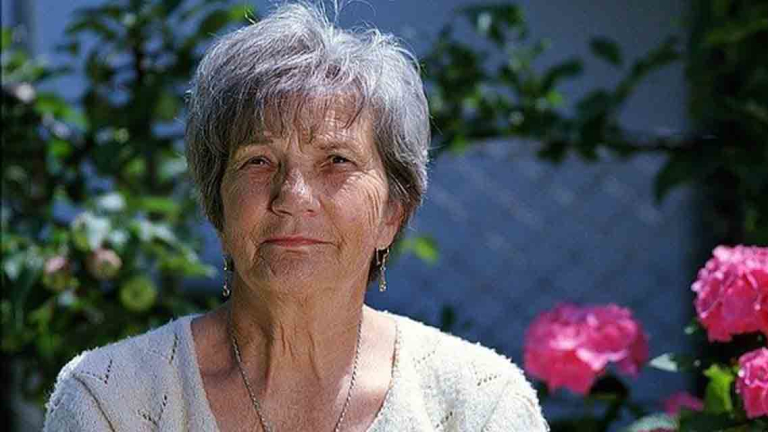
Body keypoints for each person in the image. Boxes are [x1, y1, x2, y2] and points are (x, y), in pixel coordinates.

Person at [44, 2, 548, 431]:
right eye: (258, 161)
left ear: (393, 213)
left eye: (337, 161)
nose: (294, 195)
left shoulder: (480, 409)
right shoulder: (110, 404)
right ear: (218, 207)